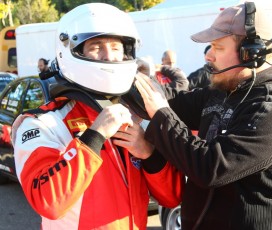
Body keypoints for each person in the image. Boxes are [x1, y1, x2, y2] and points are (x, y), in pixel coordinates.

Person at [11, 3, 183, 229]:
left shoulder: (136, 114)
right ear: (74, 51)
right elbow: (47, 201)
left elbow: (172, 197)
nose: (109, 56)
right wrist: (94, 136)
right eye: (96, 46)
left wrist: (148, 153)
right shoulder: (43, 123)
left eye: (115, 47)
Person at [134, 1, 272, 229]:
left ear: (251, 54)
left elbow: (210, 168)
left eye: (218, 47)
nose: (209, 55)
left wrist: (162, 114)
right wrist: (120, 77)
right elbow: (166, 101)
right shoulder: (222, 92)